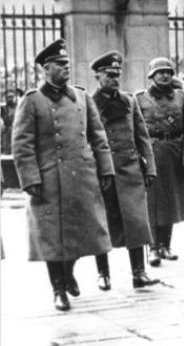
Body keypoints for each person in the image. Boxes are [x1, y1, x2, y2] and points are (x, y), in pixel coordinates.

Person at [12, 39, 115, 311]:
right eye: (60, 65)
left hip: (82, 176)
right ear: (46, 69)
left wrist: (105, 168)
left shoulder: (81, 97)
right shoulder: (32, 100)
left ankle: (68, 271)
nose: (66, 68)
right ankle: (58, 289)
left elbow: (98, 136)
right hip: (49, 180)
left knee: (83, 232)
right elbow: (22, 144)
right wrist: (30, 179)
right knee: (51, 237)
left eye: (67, 64)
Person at [88, 51, 160, 291]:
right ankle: (103, 274)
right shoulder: (89, 103)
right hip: (103, 172)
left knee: (136, 221)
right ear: (98, 76)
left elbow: (143, 136)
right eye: (109, 75)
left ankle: (139, 273)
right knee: (103, 223)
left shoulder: (129, 101)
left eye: (117, 75)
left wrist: (149, 166)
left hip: (130, 170)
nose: (115, 79)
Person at [135, 57, 184, 266]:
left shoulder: (180, 97)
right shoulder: (140, 99)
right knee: (151, 201)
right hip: (151, 153)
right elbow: (135, 130)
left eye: (168, 72)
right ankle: (152, 247)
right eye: (160, 72)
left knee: (170, 201)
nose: (165, 76)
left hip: (174, 153)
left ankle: (165, 245)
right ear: (151, 75)